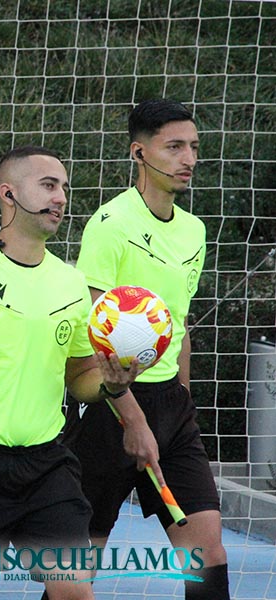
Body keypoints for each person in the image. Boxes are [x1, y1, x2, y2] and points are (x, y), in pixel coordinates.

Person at [0, 145, 160, 600]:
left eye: (63, 187)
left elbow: (80, 376)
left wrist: (111, 384)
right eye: (47, 185)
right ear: (8, 194)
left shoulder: (70, 283)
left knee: (75, 590)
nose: (60, 197)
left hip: (47, 465)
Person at [59, 99, 229, 599]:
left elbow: (178, 325)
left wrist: (181, 401)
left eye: (193, 147)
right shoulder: (110, 224)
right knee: (77, 571)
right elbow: (92, 339)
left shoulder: (195, 231)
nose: (188, 159)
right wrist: (133, 421)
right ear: (139, 152)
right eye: (174, 147)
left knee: (207, 553)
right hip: (110, 409)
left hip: (171, 408)